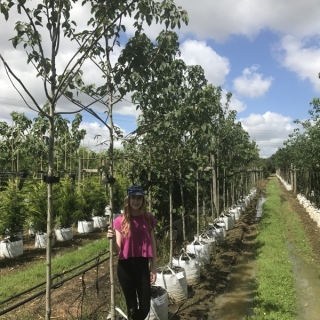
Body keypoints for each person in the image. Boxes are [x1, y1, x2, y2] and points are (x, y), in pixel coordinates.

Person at [107, 185, 157, 320]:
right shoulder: (119, 221)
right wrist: (111, 240)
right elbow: (117, 249)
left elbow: (153, 243)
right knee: (132, 307)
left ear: (143, 200)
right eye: (133, 198)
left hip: (142, 266)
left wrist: (153, 267)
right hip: (125, 267)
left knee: (145, 307)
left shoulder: (148, 218)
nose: (136, 201)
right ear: (128, 200)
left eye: (139, 198)